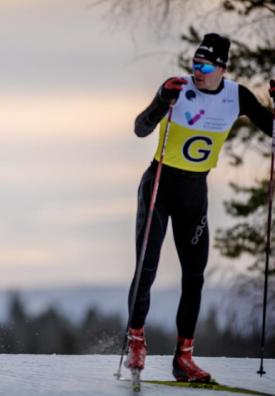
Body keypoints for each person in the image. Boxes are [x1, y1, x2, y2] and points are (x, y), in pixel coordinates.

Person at [125, 33, 275, 382]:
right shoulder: (177, 89)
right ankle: (135, 340)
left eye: (206, 65)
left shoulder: (236, 96)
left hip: (195, 193)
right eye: (195, 63)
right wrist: (162, 100)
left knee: (195, 277)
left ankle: (184, 358)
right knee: (146, 268)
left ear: (223, 68)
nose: (197, 70)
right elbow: (139, 128)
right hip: (159, 186)